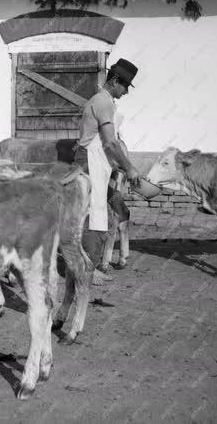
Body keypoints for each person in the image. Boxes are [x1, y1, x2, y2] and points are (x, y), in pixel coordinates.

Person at [74, 58, 159, 284]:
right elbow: (110, 143)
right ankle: (87, 272)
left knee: (95, 215)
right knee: (94, 216)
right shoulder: (104, 103)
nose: (126, 92)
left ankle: (88, 267)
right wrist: (129, 167)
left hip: (95, 161)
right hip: (90, 162)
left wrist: (117, 165)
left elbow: (107, 142)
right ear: (114, 81)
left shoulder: (102, 100)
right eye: (125, 87)